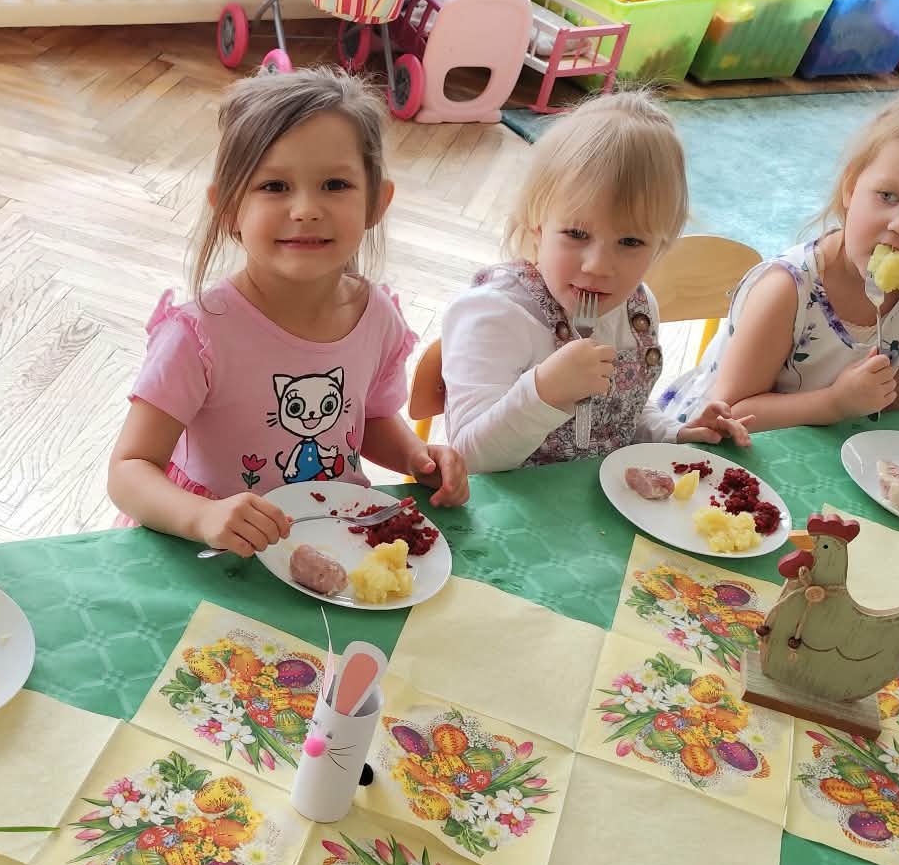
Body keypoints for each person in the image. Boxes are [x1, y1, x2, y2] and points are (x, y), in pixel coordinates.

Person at [108, 69, 466, 558]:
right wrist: (203, 517)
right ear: (228, 208)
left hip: (328, 534)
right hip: (213, 550)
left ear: (377, 202)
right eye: (275, 186)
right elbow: (129, 469)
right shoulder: (200, 335)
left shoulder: (378, 317)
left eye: (335, 184)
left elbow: (371, 418)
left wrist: (416, 457)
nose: (305, 209)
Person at [660, 47, 899, 431]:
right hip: (706, 443)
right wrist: (835, 403)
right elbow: (731, 412)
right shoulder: (787, 290)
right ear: (851, 187)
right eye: (888, 196)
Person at [438, 91, 748, 472]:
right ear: (537, 226)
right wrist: (543, 393)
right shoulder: (495, 315)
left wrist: (675, 434)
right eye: (576, 234)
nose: (599, 265)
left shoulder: (637, 310)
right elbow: (467, 458)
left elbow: (624, 414)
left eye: (630, 242)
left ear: (661, 246)